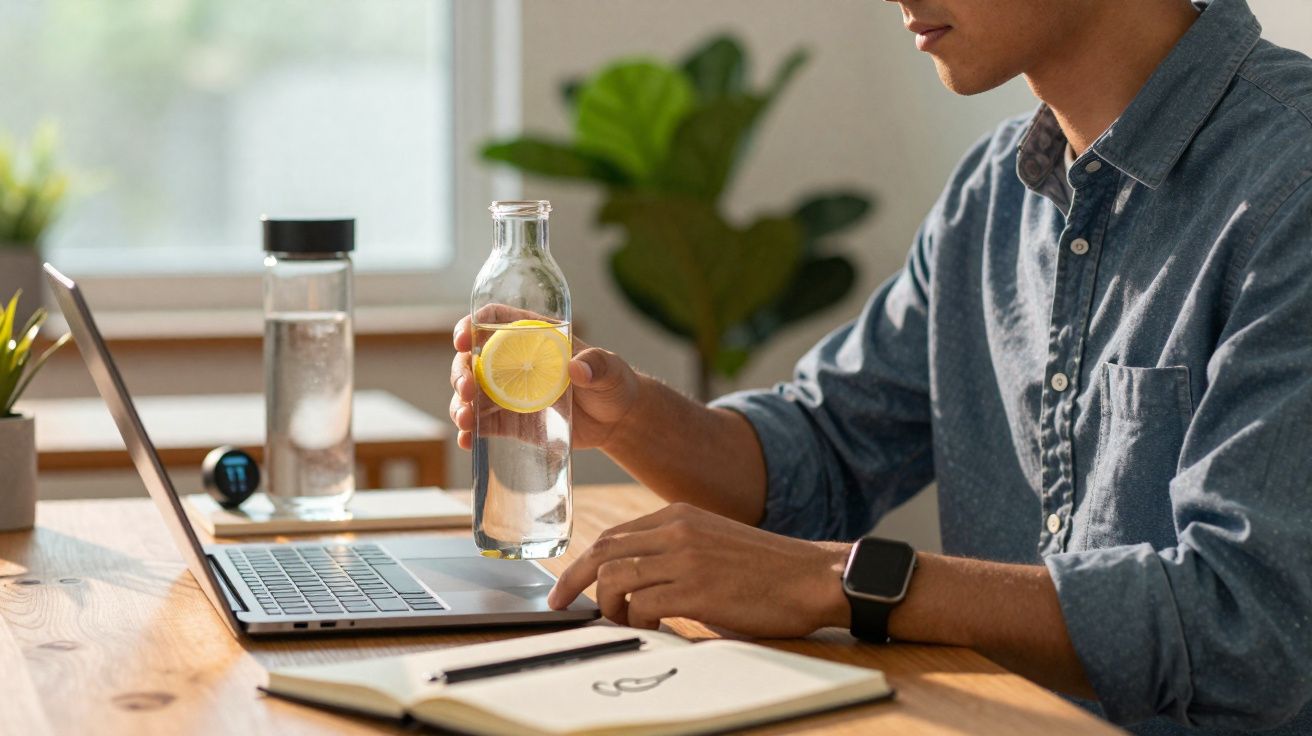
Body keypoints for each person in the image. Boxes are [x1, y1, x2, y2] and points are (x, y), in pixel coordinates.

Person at [449, 0, 1312, 732]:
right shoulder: (993, 196)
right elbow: (820, 455)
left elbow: (1249, 629)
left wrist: (838, 581)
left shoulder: (1292, 183)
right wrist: (628, 413)